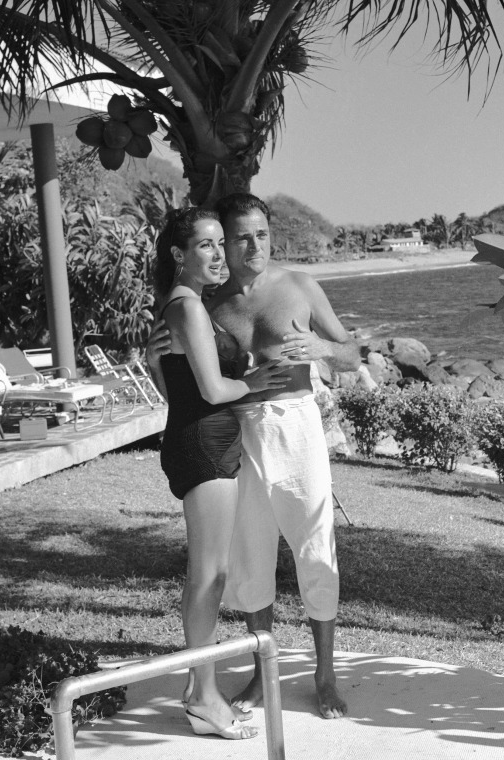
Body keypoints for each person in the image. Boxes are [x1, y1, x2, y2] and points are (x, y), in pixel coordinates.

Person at [147, 194, 361, 720]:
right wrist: (155, 363)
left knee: (314, 548)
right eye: (239, 236)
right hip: (237, 430)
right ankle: (263, 675)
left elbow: (353, 352)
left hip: (295, 427)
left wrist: (323, 351)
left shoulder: (299, 287)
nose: (252, 245)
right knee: (249, 557)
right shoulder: (208, 302)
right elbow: (189, 388)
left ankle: (324, 675)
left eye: (261, 234)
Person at [151, 207, 290, 741]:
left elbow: (177, 385)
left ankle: (200, 689)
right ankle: (203, 695)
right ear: (179, 255)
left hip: (204, 441)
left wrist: (151, 360)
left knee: (210, 573)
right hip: (204, 446)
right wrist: (256, 383)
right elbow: (211, 391)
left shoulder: (185, 305)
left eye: (218, 244)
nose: (217, 254)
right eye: (205, 246)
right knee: (207, 575)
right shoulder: (187, 304)